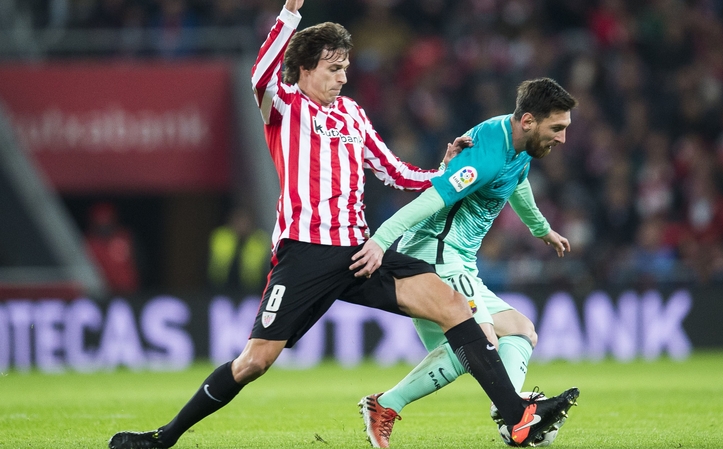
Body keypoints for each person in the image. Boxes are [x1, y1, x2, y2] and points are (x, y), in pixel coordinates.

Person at [107, 1, 574, 448]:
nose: (343, 78)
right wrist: (290, 13)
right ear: (306, 68)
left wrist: (444, 172)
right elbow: (261, 75)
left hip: (358, 252)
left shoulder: (352, 114)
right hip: (306, 252)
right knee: (255, 361)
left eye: (346, 68)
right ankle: (163, 438)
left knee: (455, 306)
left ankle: (516, 417)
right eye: (334, 69)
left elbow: (392, 170)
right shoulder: (284, 106)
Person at [351, 78, 580, 448]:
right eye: (557, 128)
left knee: (521, 331)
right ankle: (389, 404)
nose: (563, 138)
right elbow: (431, 199)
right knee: (478, 341)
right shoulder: (485, 154)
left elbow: (516, 182)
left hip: (458, 260)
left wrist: (542, 229)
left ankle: (510, 411)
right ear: (528, 121)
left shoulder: (519, 146)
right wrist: (380, 240)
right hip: (436, 255)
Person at [207, 206, 270, 291]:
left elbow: (263, 268)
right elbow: (213, 264)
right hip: (220, 287)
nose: (242, 225)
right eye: (239, 221)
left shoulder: (259, 240)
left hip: (251, 289)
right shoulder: (221, 237)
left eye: (245, 221)